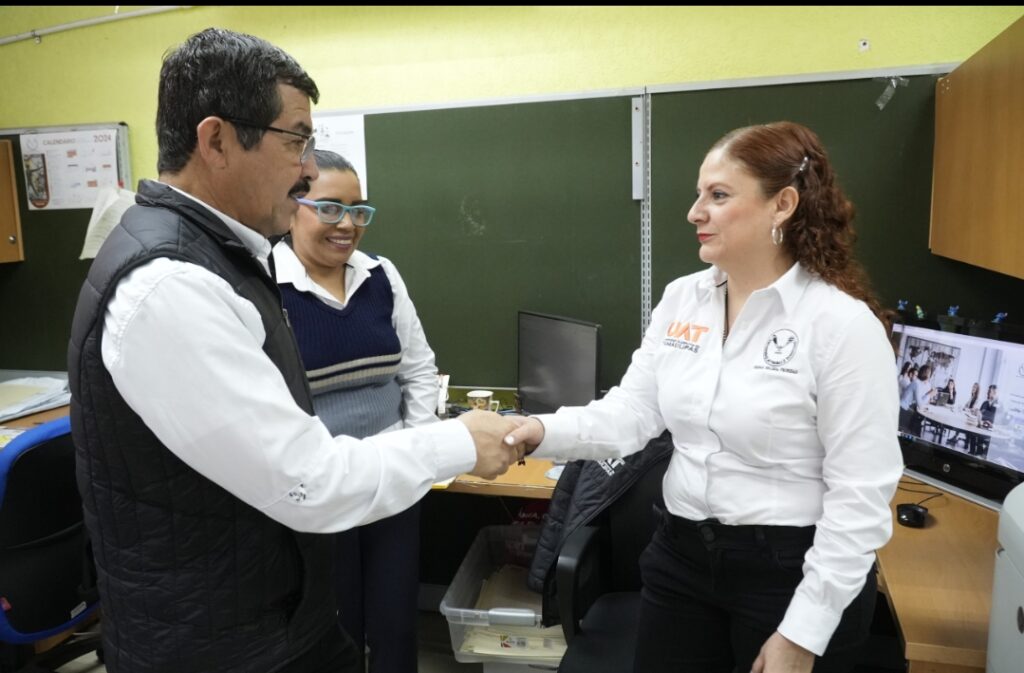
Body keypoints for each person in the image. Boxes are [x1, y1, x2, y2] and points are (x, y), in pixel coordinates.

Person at [67, 28, 523, 673]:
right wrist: (456, 442)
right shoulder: (170, 286)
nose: (308, 169)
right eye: (296, 141)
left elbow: (407, 375)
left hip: (269, 615)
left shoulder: (226, 258)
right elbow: (309, 481)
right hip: (221, 642)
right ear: (216, 141)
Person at [505, 121, 903, 673]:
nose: (695, 212)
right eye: (699, 195)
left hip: (791, 573)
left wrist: (803, 633)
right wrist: (538, 432)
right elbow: (633, 413)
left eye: (718, 195)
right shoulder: (682, 299)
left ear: (782, 204)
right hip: (681, 559)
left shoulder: (840, 326)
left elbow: (860, 495)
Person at [272, 149, 434, 673]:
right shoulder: (265, 286)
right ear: (293, 208)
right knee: (333, 626)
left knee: (395, 623)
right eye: (329, 208)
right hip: (319, 487)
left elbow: (419, 370)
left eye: (358, 210)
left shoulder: (381, 276)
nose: (347, 225)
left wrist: (419, 450)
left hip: (392, 479)